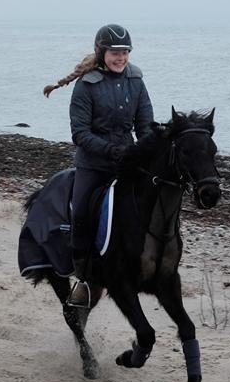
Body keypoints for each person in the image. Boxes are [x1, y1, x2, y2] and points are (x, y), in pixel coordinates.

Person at [43, 24, 155, 307]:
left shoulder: (136, 81)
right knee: (82, 214)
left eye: (125, 52)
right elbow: (80, 134)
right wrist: (112, 150)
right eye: (115, 52)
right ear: (102, 52)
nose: (121, 57)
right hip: (93, 165)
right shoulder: (86, 85)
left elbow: (145, 126)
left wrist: (150, 151)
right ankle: (83, 277)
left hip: (127, 162)